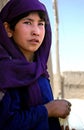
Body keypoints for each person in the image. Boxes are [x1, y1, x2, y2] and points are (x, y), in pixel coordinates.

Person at [0, 0, 71, 130]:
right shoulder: (4, 73)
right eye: (27, 22)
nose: (36, 32)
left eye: (41, 24)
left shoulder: (40, 71)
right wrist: (48, 110)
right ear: (8, 29)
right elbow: (5, 123)